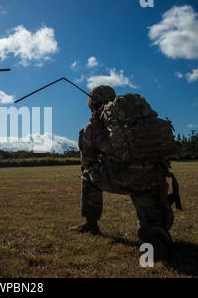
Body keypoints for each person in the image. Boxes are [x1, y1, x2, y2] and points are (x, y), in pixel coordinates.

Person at [74, 85, 175, 261]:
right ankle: (155, 232)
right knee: (151, 220)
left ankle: (91, 224)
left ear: (92, 105)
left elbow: (87, 161)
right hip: (153, 178)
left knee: (87, 175)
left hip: (123, 178)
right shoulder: (137, 121)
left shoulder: (92, 128)